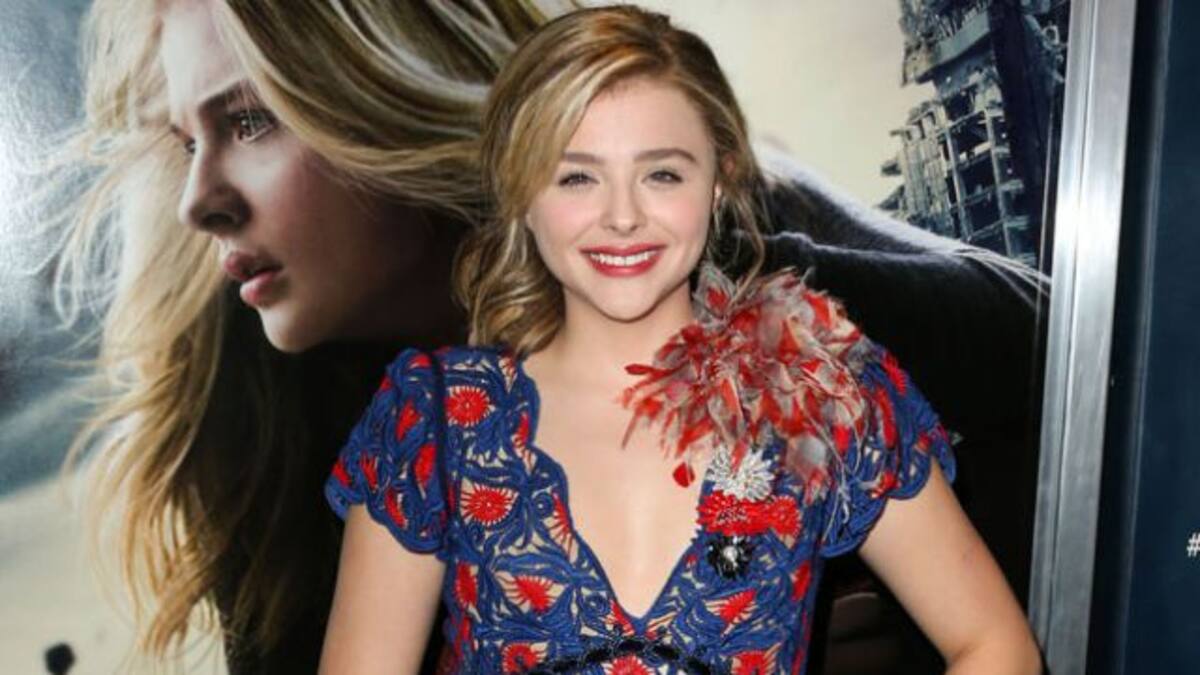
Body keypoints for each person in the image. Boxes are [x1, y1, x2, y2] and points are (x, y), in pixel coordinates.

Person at [320, 6, 1043, 674]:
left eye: (661, 173)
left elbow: (994, 644)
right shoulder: (437, 421)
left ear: (719, 184)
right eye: (576, 177)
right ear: (521, 196)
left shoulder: (820, 398)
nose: (622, 216)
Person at [53, 0, 549, 671]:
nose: (195, 204)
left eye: (249, 122)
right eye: (189, 144)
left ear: (395, 82)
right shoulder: (272, 451)